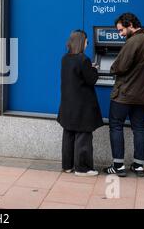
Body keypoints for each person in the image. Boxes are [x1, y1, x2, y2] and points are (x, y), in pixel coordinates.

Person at [103, 13, 144, 177]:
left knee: (116, 126)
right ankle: (139, 165)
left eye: (121, 30)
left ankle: (118, 166)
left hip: (125, 93)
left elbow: (119, 67)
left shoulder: (133, 41)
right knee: (139, 127)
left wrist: (112, 68)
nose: (120, 34)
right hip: (142, 95)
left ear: (130, 24)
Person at [57, 30, 103, 177]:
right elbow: (91, 80)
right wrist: (94, 70)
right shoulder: (83, 59)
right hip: (82, 106)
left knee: (69, 134)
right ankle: (82, 168)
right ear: (81, 42)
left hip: (68, 104)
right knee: (83, 136)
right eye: (87, 41)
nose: (87, 43)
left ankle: (67, 166)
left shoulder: (65, 58)